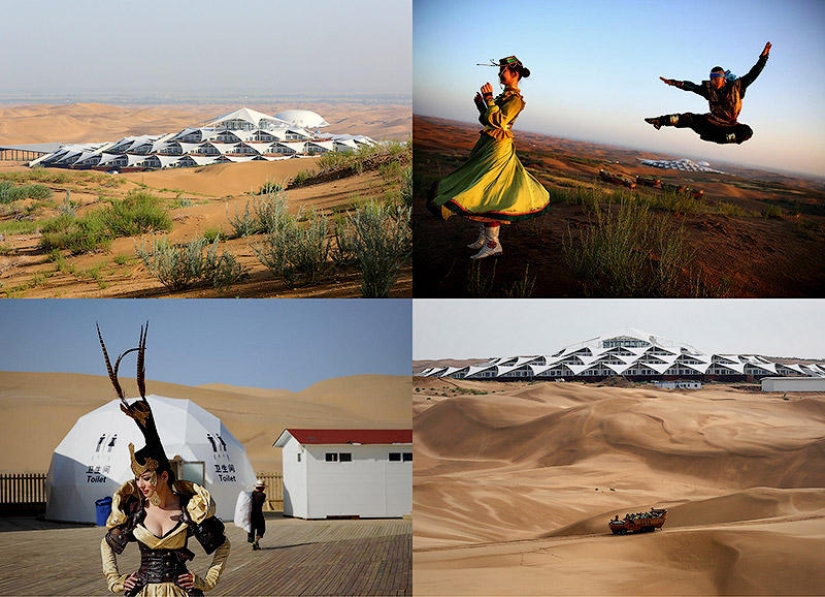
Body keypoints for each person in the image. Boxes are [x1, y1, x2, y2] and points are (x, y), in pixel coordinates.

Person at [98, 324, 230, 596]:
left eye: (146, 478)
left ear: (164, 476)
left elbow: (223, 546)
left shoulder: (190, 509)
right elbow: (106, 545)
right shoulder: (134, 511)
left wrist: (205, 581)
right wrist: (117, 581)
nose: (140, 484)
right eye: (138, 478)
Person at [427, 55, 551, 259]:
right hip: (489, 147)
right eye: (499, 70)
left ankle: (494, 244)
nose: (499, 74)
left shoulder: (515, 100)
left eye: (503, 71)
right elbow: (487, 118)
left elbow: (500, 122)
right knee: (482, 190)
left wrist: (489, 99)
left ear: (515, 74)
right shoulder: (504, 97)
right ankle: (485, 239)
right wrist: (482, 105)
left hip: (498, 151)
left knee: (488, 191)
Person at [645, 42, 771, 145]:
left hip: (728, 127)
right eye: (712, 77)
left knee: (747, 131)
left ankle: (720, 137)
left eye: (717, 77)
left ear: (724, 78)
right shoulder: (709, 90)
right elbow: (692, 87)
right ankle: (660, 121)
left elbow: (753, 73)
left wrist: (764, 56)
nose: (714, 79)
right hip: (712, 122)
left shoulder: (736, 88)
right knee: (689, 118)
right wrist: (675, 83)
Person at [249, 480, 267, 550]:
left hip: (250, 514)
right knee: (261, 528)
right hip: (258, 514)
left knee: (251, 529)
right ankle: (256, 541)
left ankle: (253, 541)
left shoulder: (251, 494)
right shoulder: (263, 495)